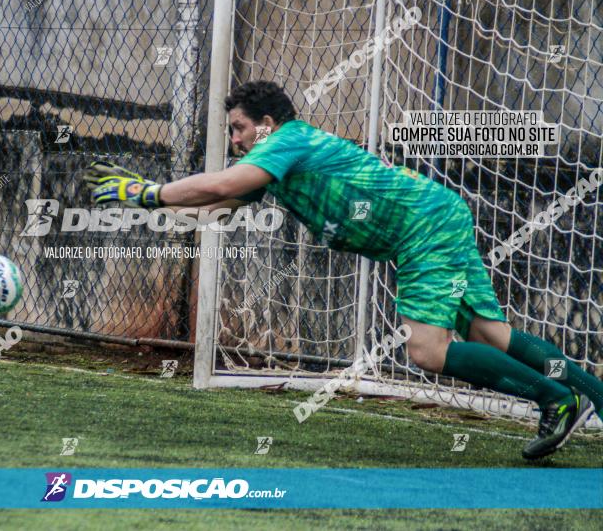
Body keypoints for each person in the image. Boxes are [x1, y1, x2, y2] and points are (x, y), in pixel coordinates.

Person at [84, 80, 600, 460]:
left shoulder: (284, 141)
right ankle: (592, 397)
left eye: (239, 128)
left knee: (426, 350)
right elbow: (218, 207)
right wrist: (146, 201)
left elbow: (220, 185)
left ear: (267, 124)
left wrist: (151, 191)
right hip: (436, 213)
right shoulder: (276, 162)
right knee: (489, 332)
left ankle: (555, 399)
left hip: (420, 227)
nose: (235, 139)